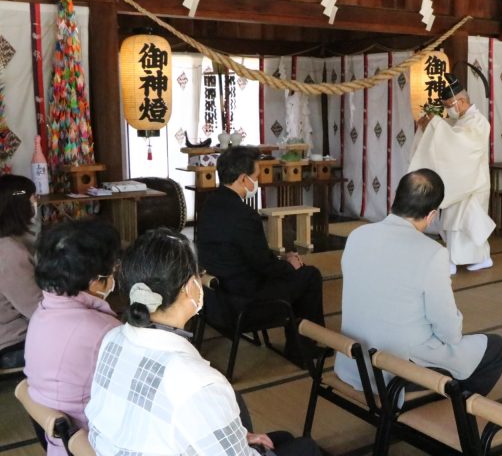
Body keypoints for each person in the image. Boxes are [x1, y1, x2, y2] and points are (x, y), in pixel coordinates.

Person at [86, 228, 320, 456]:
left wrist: (242, 438)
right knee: (305, 447)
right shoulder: (198, 382)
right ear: (190, 288)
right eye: (199, 274)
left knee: (283, 439)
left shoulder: (112, 338)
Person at [335, 169, 502, 396]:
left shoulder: (358, 235)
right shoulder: (432, 253)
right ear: (432, 215)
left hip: (353, 363)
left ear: (395, 200)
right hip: (395, 373)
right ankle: (451, 414)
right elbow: (449, 332)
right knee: (496, 347)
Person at [197, 146, 324, 362]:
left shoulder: (209, 205)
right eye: (256, 176)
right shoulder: (244, 216)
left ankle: (300, 344)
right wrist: (289, 264)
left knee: (294, 272)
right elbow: (263, 267)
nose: (258, 181)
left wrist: (280, 261)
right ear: (243, 178)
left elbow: (247, 256)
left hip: (216, 297)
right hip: (245, 302)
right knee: (309, 275)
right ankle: (302, 350)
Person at [24, 219, 121, 455]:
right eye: (113, 269)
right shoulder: (103, 331)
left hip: (56, 442)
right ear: (96, 281)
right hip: (89, 444)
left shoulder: (43, 311)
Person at [408, 73, 496, 275]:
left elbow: (461, 144)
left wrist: (436, 125)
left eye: (449, 105)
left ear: (462, 101)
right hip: (462, 181)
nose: (448, 110)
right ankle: (480, 257)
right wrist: (429, 126)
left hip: (473, 182)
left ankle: (457, 260)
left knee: (464, 223)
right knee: (455, 222)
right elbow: (450, 136)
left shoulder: (479, 121)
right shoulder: (463, 120)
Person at [0, 174, 42, 369]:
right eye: (33, 198)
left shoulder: (12, 243)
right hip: (11, 345)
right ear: (19, 206)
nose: (36, 202)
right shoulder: (9, 252)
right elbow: (37, 309)